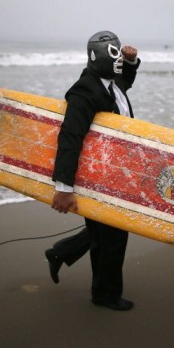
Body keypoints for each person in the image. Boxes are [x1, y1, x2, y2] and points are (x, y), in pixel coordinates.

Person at [45, 31, 139, 311]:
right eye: (116, 56)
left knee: (103, 231)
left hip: (113, 171)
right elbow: (70, 137)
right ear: (97, 59)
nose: (120, 60)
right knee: (114, 235)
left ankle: (60, 253)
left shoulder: (109, 83)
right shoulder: (85, 91)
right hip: (96, 176)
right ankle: (106, 295)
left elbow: (124, 84)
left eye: (121, 54)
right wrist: (64, 188)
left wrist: (131, 63)